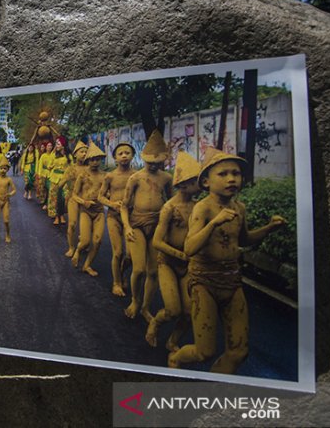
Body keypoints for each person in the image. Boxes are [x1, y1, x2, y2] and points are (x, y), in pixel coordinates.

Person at [168, 148, 285, 373]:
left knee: (239, 351)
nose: (231, 179)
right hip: (204, 282)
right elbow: (190, 247)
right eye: (223, 174)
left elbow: (244, 239)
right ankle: (177, 358)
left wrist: (270, 227)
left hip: (232, 280)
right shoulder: (202, 208)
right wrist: (214, 223)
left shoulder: (239, 208)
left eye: (236, 173)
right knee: (204, 351)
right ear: (206, 182)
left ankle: (217, 388)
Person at [146, 151, 200, 350]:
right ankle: (155, 323)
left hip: (188, 266)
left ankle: (173, 341)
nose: (201, 185)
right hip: (168, 263)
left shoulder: (199, 207)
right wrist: (180, 255)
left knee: (189, 311)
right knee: (172, 309)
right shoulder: (169, 207)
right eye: (196, 181)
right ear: (184, 184)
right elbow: (157, 242)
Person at [121, 129, 173, 321]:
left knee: (153, 271)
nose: (152, 165)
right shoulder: (135, 178)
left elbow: (172, 202)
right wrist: (126, 227)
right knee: (139, 269)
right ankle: (135, 300)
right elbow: (124, 205)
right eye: (149, 162)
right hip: (137, 224)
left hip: (157, 225)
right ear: (144, 159)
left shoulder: (166, 178)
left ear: (162, 161)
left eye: (156, 162)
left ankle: (145, 307)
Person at [98, 142, 136, 296]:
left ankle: (121, 272)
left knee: (130, 255)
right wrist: (112, 204)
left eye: (127, 152)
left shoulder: (136, 176)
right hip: (114, 216)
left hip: (133, 217)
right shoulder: (110, 176)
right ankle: (117, 283)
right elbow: (100, 196)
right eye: (120, 153)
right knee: (118, 252)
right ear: (115, 158)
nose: (124, 155)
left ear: (133, 155)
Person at [70, 142, 107, 277]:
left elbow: (107, 193)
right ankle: (78, 251)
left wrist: (110, 201)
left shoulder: (104, 176)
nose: (95, 162)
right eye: (92, 159)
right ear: (88, 161)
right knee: (85, 241)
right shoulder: (83, 175)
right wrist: (83, 202)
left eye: (98, 159)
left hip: (99, 212)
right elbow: (74, 194)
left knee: (97, 241)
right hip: (86, 211)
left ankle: (87, 265)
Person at [64, 141, 88, 257]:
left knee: (86, 225)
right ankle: (71, 247)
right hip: (72, 198)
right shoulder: (71, 169)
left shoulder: (89, 169)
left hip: (86, 199)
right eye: (81, 152)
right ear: (75, 154)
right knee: (72, 223)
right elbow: (60, 184)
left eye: (85, 152)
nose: (84, 154)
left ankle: (84, 243)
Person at [47, 136, 71, 225]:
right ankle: (57, 216)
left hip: (65, 180)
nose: (56, 145)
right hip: (54, 179)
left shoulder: (69, 156)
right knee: (54, 198)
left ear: (63, 145)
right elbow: (49, 166)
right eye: (56, 143)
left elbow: (72, 168)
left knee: (65, 198)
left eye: (58, 143)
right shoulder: (54, 155)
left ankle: (62, 215)